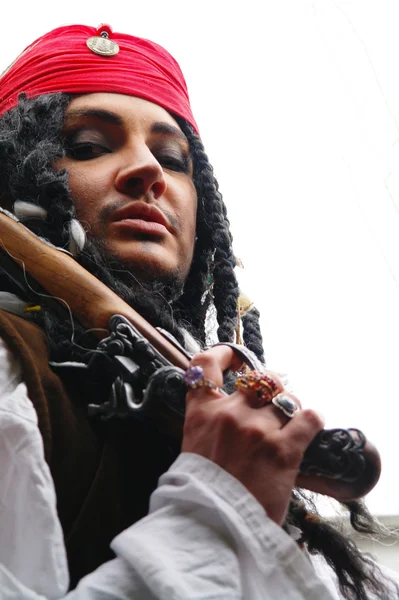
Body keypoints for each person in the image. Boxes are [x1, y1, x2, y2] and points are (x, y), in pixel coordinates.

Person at [0, 23, 397, 600]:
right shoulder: (12, 369)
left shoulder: (207, 403)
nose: (150, 172)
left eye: (172, 157)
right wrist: (217, 508)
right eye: (87, 146)